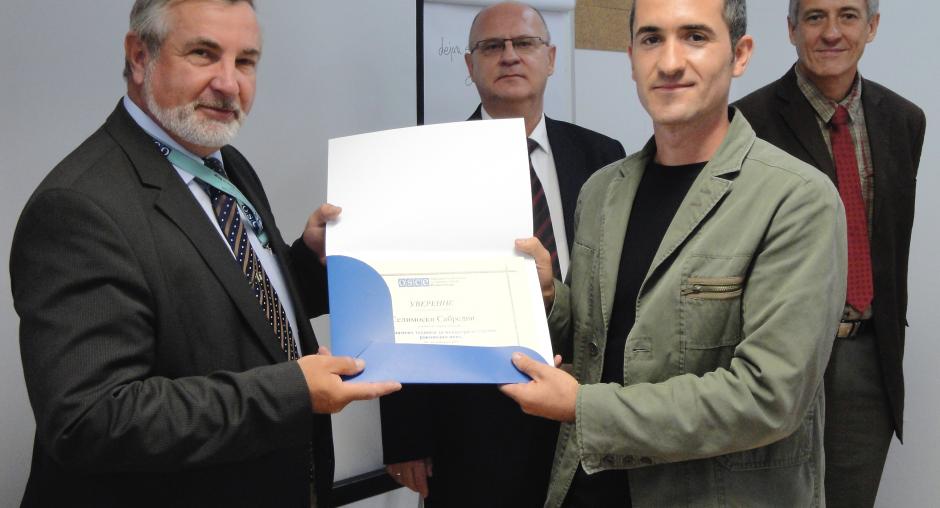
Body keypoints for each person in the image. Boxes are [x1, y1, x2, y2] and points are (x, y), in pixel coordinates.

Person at [9, 1, 400, 506]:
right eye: (203, 54)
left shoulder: (224, 163)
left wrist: (308, 261)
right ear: (139, 56)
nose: (229, 84)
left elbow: (229, 309)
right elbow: (92, 419)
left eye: (245, 61)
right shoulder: (78, 207)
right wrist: (292, 391)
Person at [501, 0, 848, 505]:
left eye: (695, 37)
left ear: (740, 54)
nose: (668, 62)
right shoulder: (602, 191)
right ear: (631, 58)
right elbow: (599, 340)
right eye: (651, 39)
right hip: (588, 486)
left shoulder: (797, 199)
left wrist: (583, 407)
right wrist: (551, 297)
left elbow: (769, 396)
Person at [380, 2, 624, 505]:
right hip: (470, 425)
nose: (509, 56)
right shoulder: (426, 162)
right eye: (492, 46)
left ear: (550, 58)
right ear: (470, 66)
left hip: (582, 406)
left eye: (525, 43)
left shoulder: (603, 156)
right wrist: (406, 434)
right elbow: (398, 298)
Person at [734, 1, 926, 505]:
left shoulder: (905, 120)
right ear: (791, 30)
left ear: (872, 26)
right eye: (815, 17)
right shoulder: (746, 122)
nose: (832, 32)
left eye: (848, 15)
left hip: (868, 358)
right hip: (777, 359)